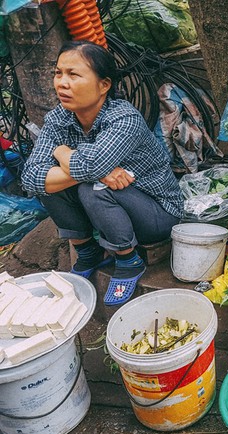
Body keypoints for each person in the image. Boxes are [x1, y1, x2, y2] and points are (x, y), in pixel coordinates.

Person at [22, 40, 183, 306]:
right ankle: (88, 252)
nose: (62, 83)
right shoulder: (57, 119)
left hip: (157, 213)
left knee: (92, 187)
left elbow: (92, 166)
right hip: (109, 208)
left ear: (104, 85)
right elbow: (31, 176)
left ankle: (128, 259)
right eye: (58, 73)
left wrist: (61, 152)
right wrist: (97, 171)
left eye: (74, 75)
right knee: (51, 185)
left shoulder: (123, 119)